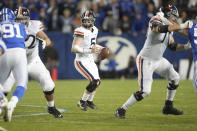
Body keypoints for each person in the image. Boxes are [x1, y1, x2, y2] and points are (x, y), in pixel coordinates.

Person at [115, 4, 192, 118]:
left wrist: (187, 46)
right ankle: (121, 110)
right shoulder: (156, 19)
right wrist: (182, 25)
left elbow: (172, 46)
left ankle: (168, 106)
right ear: (168, 15)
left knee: (175, 78)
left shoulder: (169, 26)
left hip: (158, 60)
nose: (174, 19)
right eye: (173, 17)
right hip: (146, 60)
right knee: (145, 91)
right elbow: (159, 28)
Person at [2, 6, 62, 118]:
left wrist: (46, 42)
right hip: (16, 63)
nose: (20, 21)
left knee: (49, 84)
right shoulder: (9, 28)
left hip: (33, 61)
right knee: (5, 88)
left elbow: (46, 38)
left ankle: (51, 107)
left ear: (28, 19)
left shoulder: (34, 25)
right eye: (18, 19)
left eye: (22, 19)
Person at [0, 8, 28, 122]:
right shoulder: (20, 26)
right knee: (22, 84)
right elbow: (24, 37)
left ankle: (2, 101)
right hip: (20, 53)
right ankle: (12, 103)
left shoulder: (1, 25)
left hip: (5, 52)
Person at [71, 10, 102, 111]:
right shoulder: (80, 30)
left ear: (93, 21)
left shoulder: (95, 30)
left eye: (89, 21)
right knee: (94, 81)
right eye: (85, 21)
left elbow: (92, 45)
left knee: (97, 82)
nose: (86, 23)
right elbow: (74, 49)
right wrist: (90, 51)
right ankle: (82, 102)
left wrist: (102, 48)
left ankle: (89, 101)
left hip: (90, 60)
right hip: (81, 61)